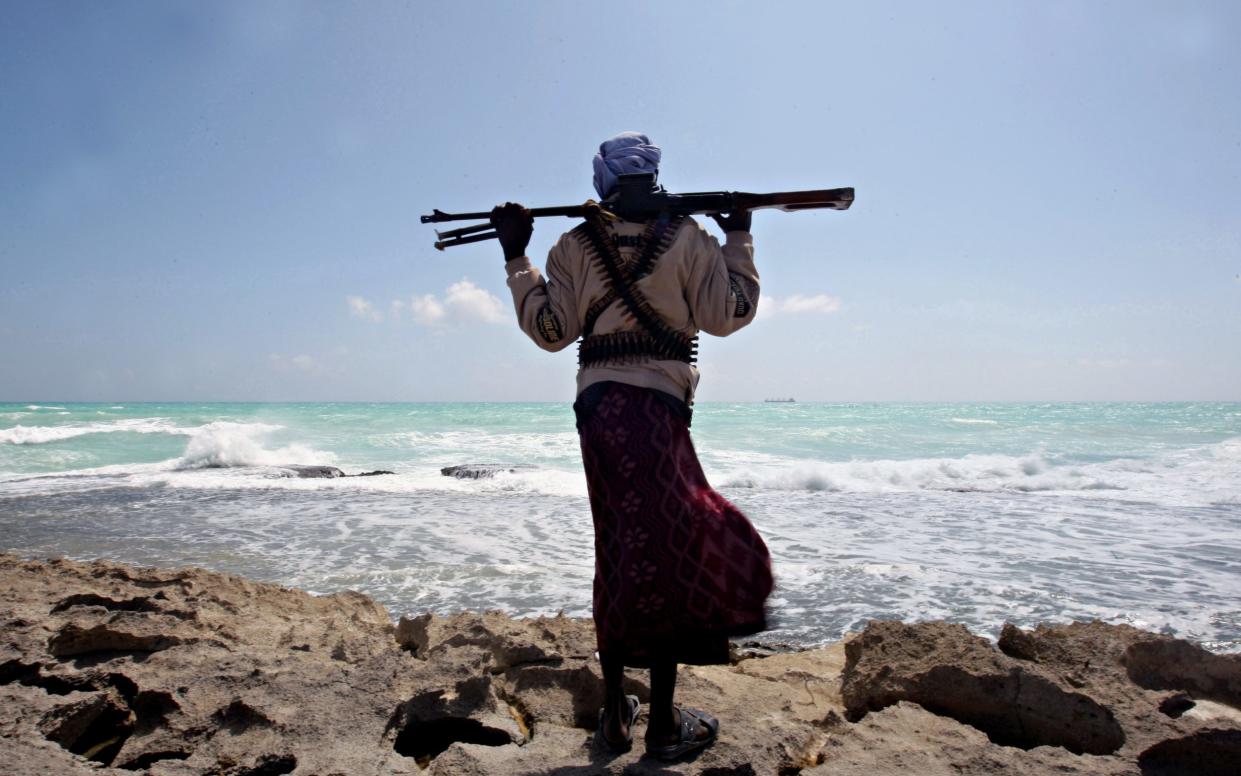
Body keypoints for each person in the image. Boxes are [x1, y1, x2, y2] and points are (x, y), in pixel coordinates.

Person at [490, 132, 774, 762]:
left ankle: (616, 718)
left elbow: (550, 331)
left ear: (602, 181)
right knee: (669, 552)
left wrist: (517, 256)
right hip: (661, 412)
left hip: (600, 414)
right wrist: (740, 236)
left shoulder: (571, 245)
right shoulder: (693, 238)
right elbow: (729, 313)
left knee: (618, 551)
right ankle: (665, 727)